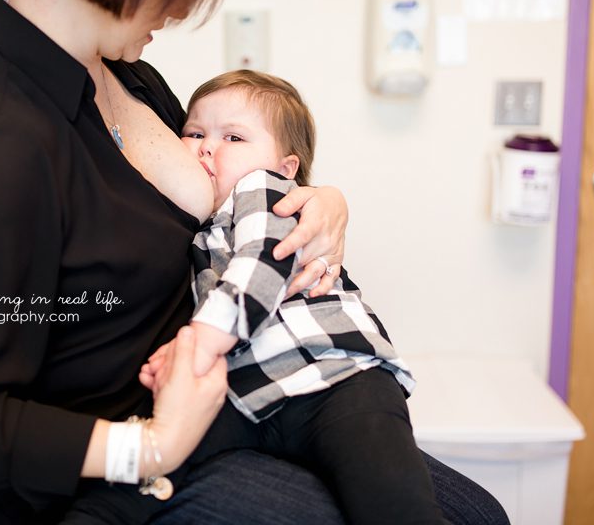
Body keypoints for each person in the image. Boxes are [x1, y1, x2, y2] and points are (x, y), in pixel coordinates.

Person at [0, 0, 509, 523]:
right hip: (101, 468)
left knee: (482, 514)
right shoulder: (0, 140)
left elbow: (230, 194)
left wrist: (320, 202)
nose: (187, 6)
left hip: (220, 399)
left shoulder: (120, 71)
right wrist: (149, 448)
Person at [139, 70, 445, 524]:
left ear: (286, 169)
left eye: (234, 137)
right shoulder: (196, 219)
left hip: (336, 375)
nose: (206, 146)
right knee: (147, 476)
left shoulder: (264, 191)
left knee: (393, 503)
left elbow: (264, 262)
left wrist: (197, 342)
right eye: (195, 132)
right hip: (250, 393)